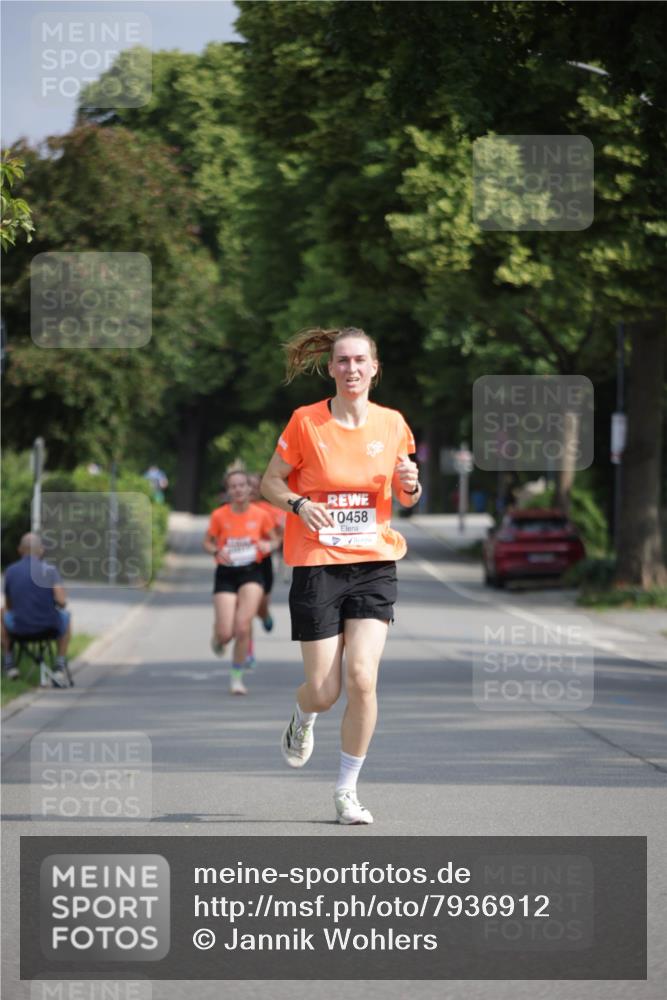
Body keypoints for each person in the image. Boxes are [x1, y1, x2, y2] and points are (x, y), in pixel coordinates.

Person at [261, 326, 421, 824]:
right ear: (330, 369)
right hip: (316, 564)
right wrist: (299, 503)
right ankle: (303, 715)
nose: (351, 369)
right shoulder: (306, 423)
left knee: (363, 678)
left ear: (374, 368)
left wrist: (412, 486)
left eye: (360, 361)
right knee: (326, 692)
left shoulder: (393, 424)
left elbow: (407, 495)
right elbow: (270, 482)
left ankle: (347, 791)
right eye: (342, 361)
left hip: (374, 563)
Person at [203, 469, 281, 695]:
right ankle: (218, 635)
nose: (237, 490)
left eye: (241, 485)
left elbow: (275, 539)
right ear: (228, 492)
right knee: (226, 632)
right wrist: (216, 550)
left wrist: (269, 546)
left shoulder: (261, 515)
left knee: (243, 626)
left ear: (249, 489)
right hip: (226, 573)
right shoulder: (219, 515)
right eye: (232, 487)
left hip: (252, 572)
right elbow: (207, 543)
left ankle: (237, 678)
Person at [1, 533, 71, 684]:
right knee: (67, 615)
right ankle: (59, 666)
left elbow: (8, 606)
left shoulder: (10, 571)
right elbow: (62, 602)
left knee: (1, 613)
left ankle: (9, 663)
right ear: (41, 550)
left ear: (20, 550)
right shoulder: (50, 570)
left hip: (18, 629)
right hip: (49, 628)